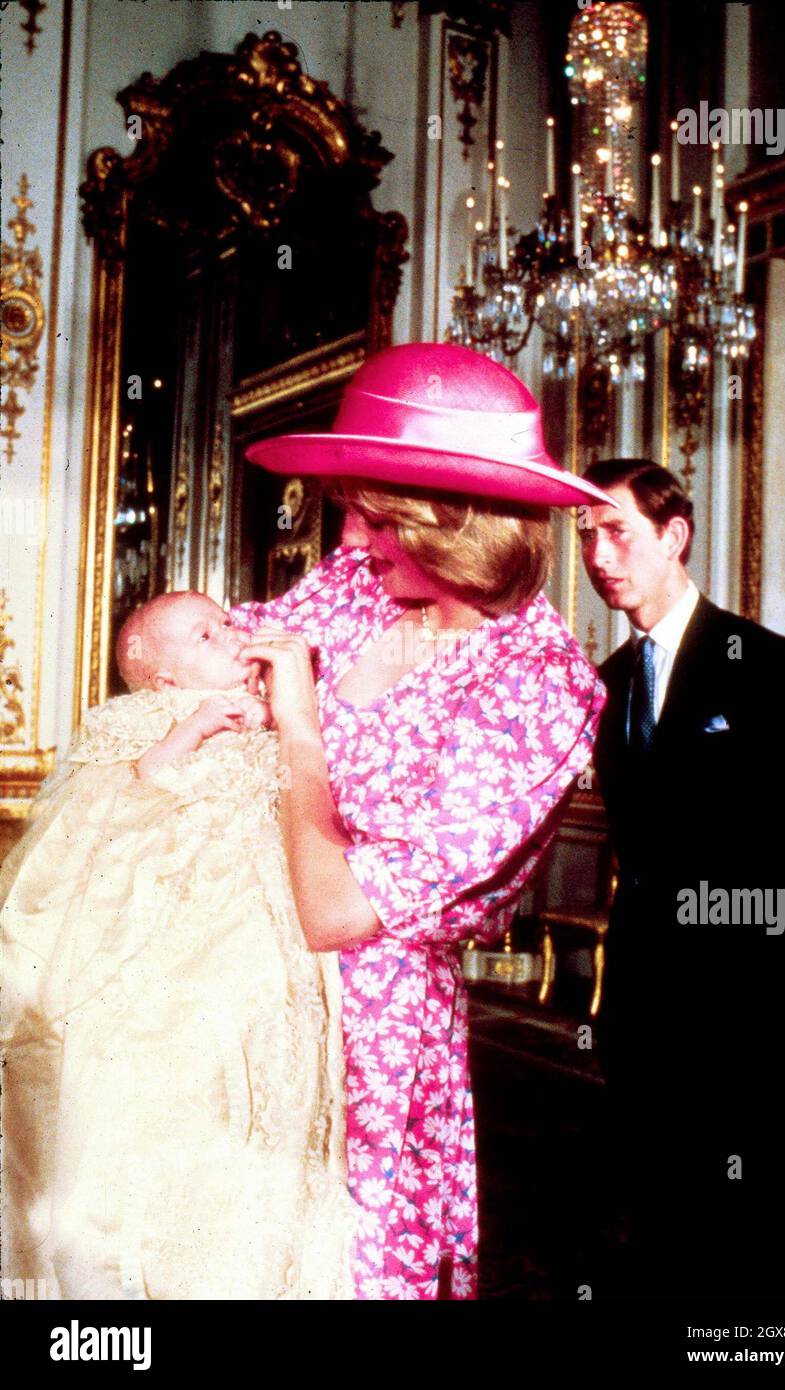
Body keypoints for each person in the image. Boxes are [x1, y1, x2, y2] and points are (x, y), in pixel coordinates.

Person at [231, 341, 616, 1299]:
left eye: (373, 515)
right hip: (236, 977)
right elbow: (216, 661)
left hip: (371, 1034)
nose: (351, 538)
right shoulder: (356, 590)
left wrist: (298, 723)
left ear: (453, 521)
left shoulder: (539, 685)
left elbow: (336, 913)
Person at [0, 591, 355, 1300]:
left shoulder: (276, 714)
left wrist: (279, 721)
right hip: (170, 941)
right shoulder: (138, 722)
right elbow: (105, 809)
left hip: (268, 935)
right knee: (164, 1102)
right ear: (163, 678)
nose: (230, 635)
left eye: (227, 622)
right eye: (204, 635)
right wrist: (185, 734)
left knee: (261, 1106)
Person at [578, 457, 785, 1300]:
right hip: (645, 997)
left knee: (758, 1221)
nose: (599, 554)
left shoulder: (767, 667)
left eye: (617, 532)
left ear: (673, 536)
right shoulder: (612, 684)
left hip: (748, 996)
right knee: (664, 1214)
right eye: (588, 535)